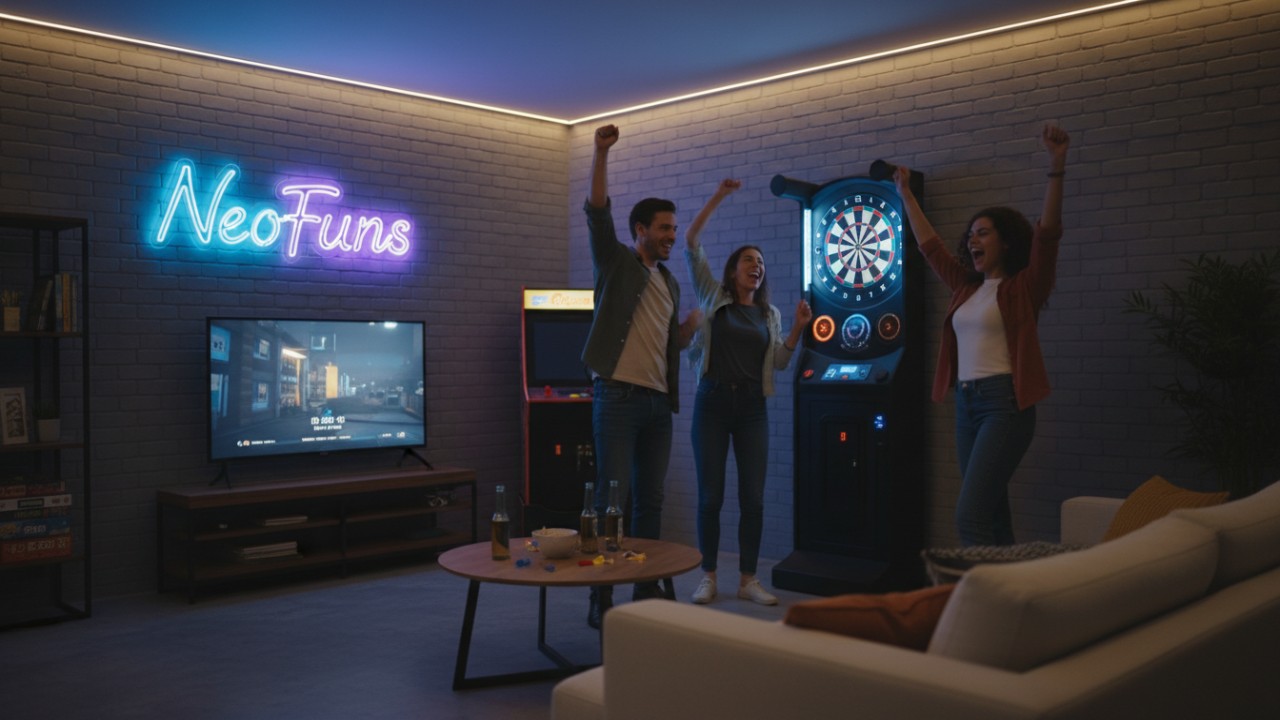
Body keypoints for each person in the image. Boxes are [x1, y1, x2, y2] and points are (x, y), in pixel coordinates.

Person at [893, 123, 1070, 546]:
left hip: (1004, 405)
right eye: (970, 234)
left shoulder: (1024, 287)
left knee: (968, 518)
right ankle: (1012, 602)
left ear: (1006, 242)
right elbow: (930, 247)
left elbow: (1047, 236)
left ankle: (977, 608)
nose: (973, 239)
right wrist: (905, 194)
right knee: (991, 516)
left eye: (983, 232)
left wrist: (1057, 164)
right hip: (967, 405)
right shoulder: (966, 287)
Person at [582, 124, 701, 628]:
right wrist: (600, 153)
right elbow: (596, 212)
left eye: (674, 229)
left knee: (650, 502)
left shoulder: (669, 282)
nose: (671, 236)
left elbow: (663, 341)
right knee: (614, 497)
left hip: (657, 404)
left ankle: (646, 588)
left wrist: (692, 327)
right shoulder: (616, 261)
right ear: (640, 230)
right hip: (618, 397)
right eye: (664, 228)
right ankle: (599, 591)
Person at [683, 179, 812, 606]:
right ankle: (708, 575)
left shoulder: (769, 314)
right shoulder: (713, 296)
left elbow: (778, 363)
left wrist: (797, 327)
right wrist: (718, 195)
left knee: (753, 498)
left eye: (760, 262)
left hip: (753, 408)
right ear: (733, 269)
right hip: (713, 403)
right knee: (711, 496)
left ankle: (748, 579)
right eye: (748, 260)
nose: (756, 266)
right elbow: (691, 240)